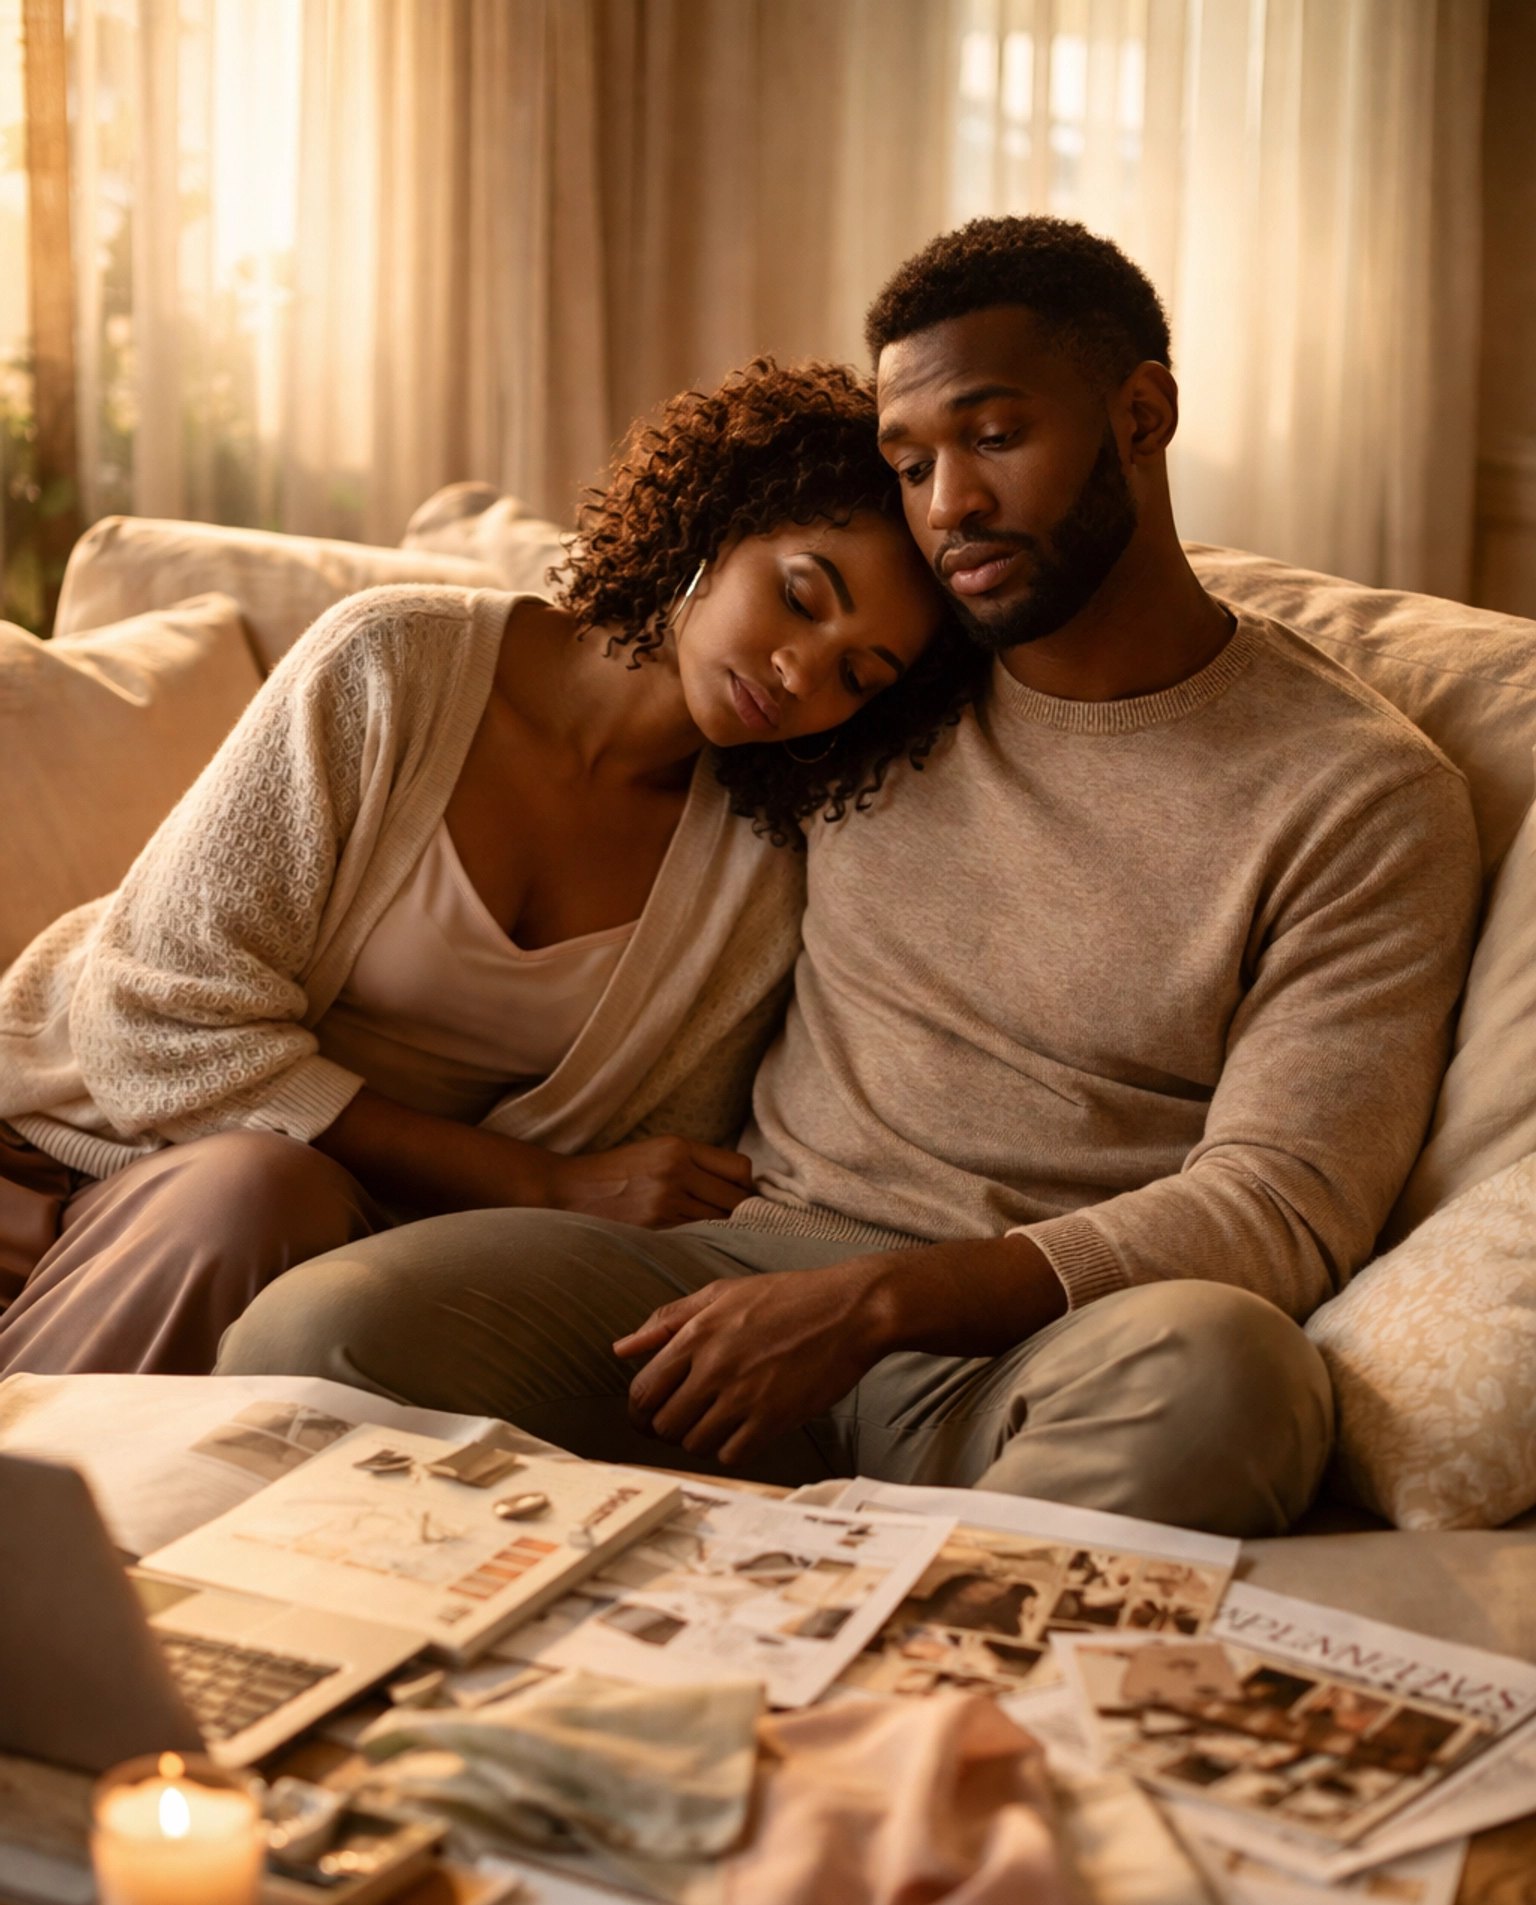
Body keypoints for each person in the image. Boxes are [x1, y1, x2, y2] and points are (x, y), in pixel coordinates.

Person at [220, 217, 1482, 1538]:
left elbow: (1283, 1207)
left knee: (1234, 1374)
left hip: (1048, 1342)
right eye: (911, 461)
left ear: (1142, 415)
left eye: (995, 438)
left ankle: (887, 1700)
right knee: (321, 1332)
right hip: (727, 1278)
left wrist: (885, 1302)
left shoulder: (1361, 796)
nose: (950, 508)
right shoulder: (865, 694)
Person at [0, 360, 975, 1374]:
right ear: (721, 521)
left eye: (859, 674)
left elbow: (640, 1176)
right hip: (71, 1147)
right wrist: (537, 1183)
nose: (803, 671)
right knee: (261, 1191)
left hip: (344, 1254)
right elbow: (154, 1020)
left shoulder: (761, 871)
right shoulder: (392, 663)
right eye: (802, 597)